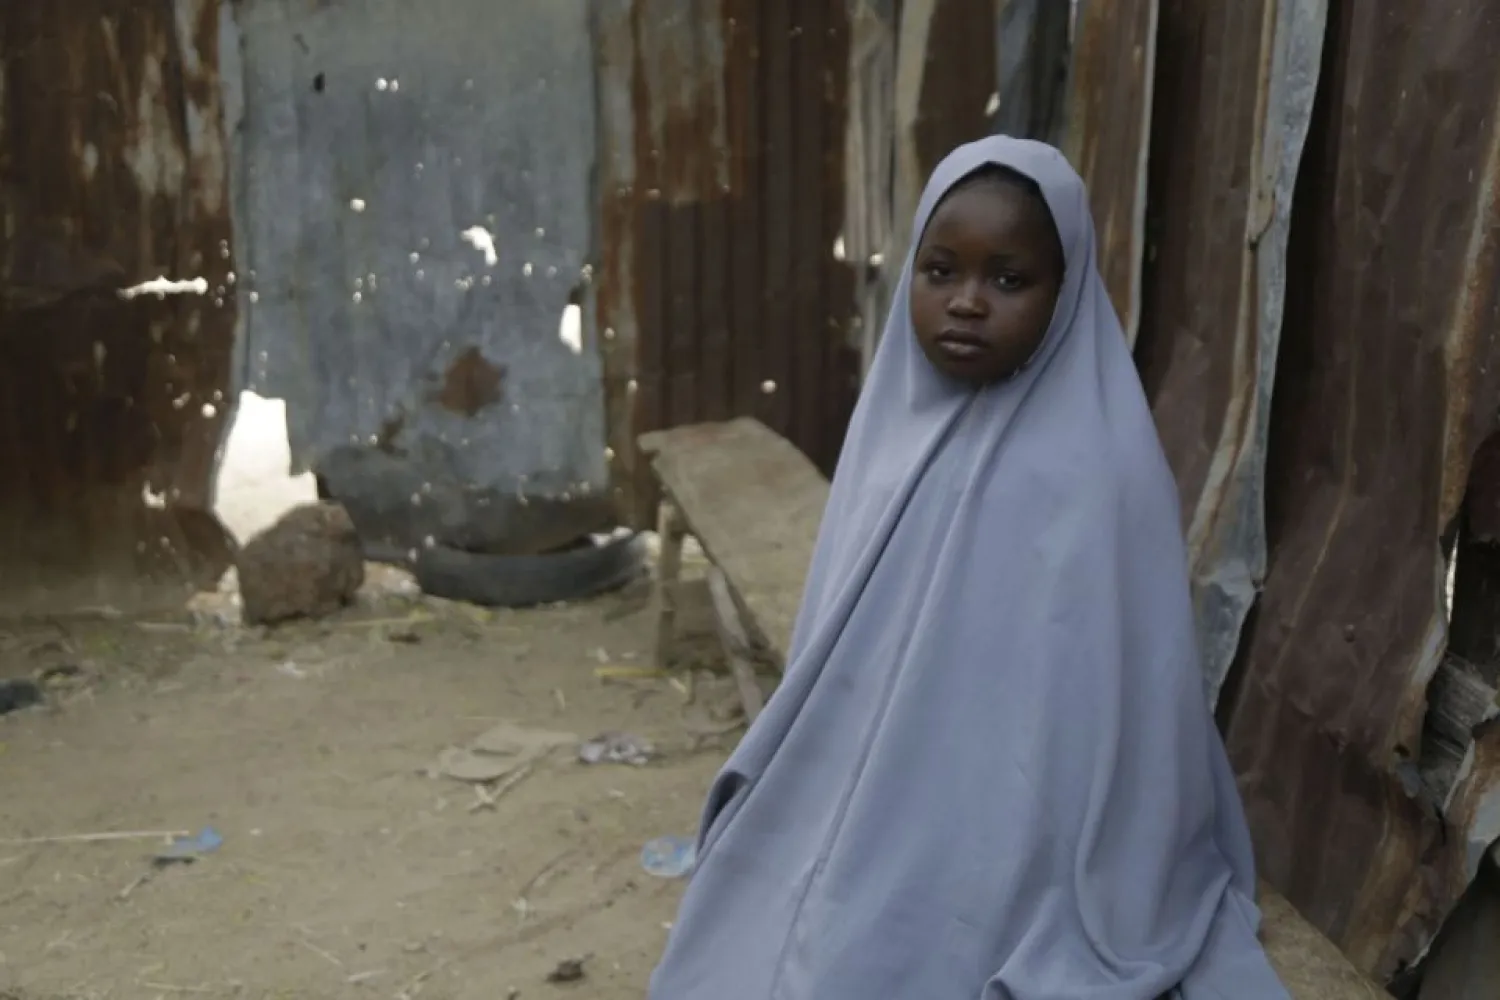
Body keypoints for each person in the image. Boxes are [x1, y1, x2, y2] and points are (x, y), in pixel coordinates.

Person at [647, 136, 1291, 1000]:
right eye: (941, 271)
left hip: (1025, 813)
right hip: (868, 780)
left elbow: (1113, 712)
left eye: (1009, 279)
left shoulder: (1101, 472)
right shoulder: (890, 429)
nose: (966, 303)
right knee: (788, 919)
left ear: (1066, 294)